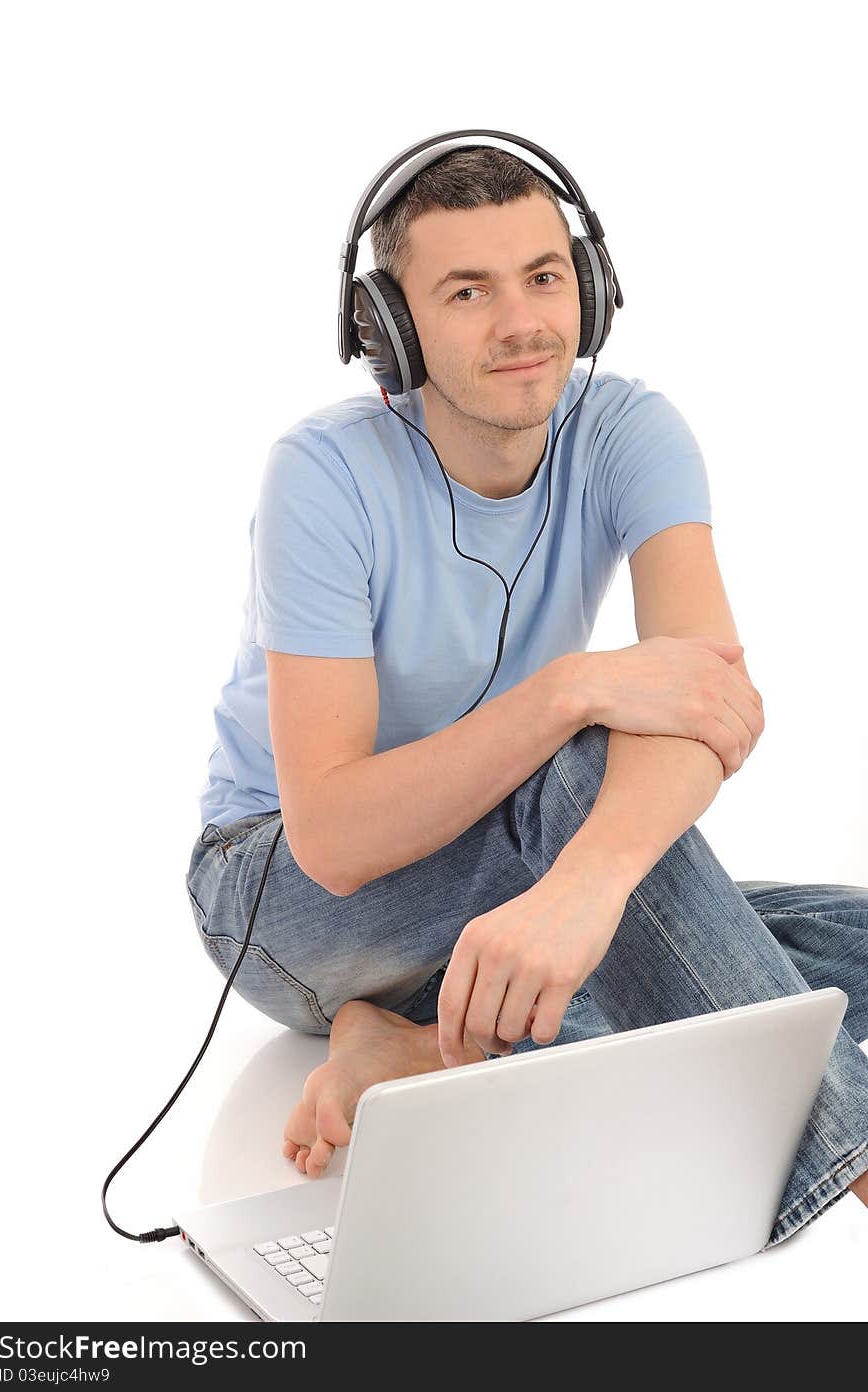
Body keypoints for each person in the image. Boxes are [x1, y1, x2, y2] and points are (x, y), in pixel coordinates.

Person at [185, 145, 868, 1247]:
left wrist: (585, 892)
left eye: (545, 278)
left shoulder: (626, 430)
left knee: (833, 940)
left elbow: (706, 702)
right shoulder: (320, 474)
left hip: (505, 870)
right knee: (590, 780)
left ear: (588, 293)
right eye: (468, 291)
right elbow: (334, 838)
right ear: (387, 332)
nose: (522, 322)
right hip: (279, 899)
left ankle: (421, 1042)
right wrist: (568, 692)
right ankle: (852, 1156)